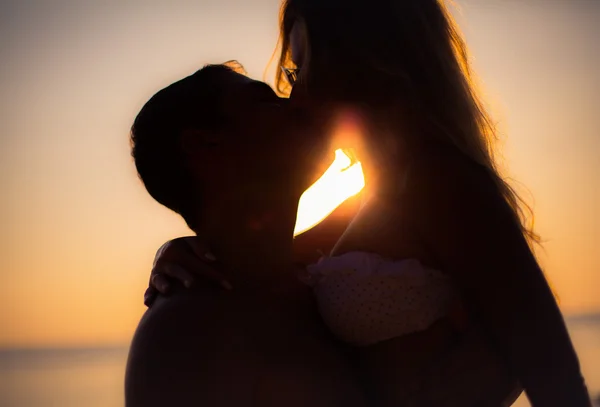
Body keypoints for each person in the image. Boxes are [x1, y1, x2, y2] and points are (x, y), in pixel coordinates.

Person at [144, 0, 592, 406]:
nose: (294, 101)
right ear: (205, 148)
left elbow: (542, 352)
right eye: (281, 86)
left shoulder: (431, 182)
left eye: (302, 71)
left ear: (362, 61)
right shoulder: (203, 316)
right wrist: (177, 251)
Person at [125, 63, 369, 407]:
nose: (296, 105)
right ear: (204, 146)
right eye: (265, 100)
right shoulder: (184, 331)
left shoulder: (327, 279)